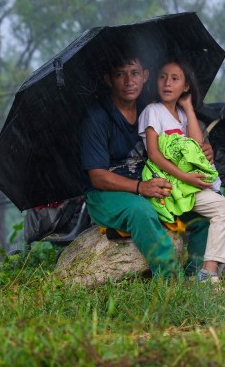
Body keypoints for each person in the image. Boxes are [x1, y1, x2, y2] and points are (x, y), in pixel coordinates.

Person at [78, 50, 211, 279]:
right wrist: (140, 187)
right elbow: (97, 176)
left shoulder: (151, 108)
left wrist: (202, 150)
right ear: (109, 79)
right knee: (141, 210)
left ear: (146, 75)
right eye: (120, 75)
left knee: (199, 215)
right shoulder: (97, 118)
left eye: (135, 73)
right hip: (108, 194)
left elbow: (176, 140)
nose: (129, 81)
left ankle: (196, 278)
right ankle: (172, 283)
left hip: (152, 184)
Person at [138, 59, 225, 284]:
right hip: (173, 184)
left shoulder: (183, 114)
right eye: (162, 77)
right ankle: (208, 274)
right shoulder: (153, 111)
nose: (167, 83)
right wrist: (185, 176)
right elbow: (154, 155)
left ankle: (208, 273)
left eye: (175, 79)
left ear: (186, 87)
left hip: (189, 184)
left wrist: (187, 107)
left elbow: (196, 145)